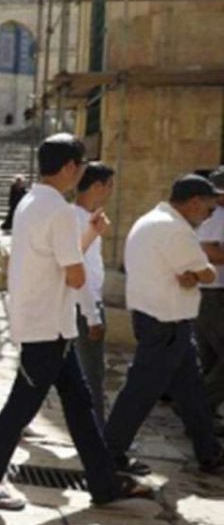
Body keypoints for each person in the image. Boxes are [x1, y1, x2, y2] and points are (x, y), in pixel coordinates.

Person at [0, 134, 152, 511]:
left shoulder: (31, 202)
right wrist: (86, 246)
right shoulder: (60, 210)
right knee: (20, 409)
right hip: (46, 327)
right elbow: (75, 277)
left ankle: (105, 483)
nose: (80, 172)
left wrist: (88, 236)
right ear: (69, 167)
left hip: (50, 325)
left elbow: (58, 260)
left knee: (79, 407)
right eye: (80, 166)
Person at [105, 175, 224, 476]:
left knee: (193, 393)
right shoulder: (176, 231)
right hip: (166, 323)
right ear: (195, 202)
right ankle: (109, 453)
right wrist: (200, 274)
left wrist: (195, 274)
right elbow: (208, 273)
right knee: (140, 393)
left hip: (159, 319)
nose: (208, 216)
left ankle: (209, 453)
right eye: (208, 210)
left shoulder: (149, 220)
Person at [73, 163, 116, 414]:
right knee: (92, 372)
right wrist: (93, 315)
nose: (111, 191)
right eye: (109, 186)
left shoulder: (85, 217)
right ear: (97, 186)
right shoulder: (79, 219)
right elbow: (80, 269)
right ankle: (98, 430)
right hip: (84, 305)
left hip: (78, 303)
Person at [198, 168, 224, 429]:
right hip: (212, 292)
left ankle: (201, 412)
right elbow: (208, 250)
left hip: (213, 291)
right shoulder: (215, 215)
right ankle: (200, 409)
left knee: (209, 358)